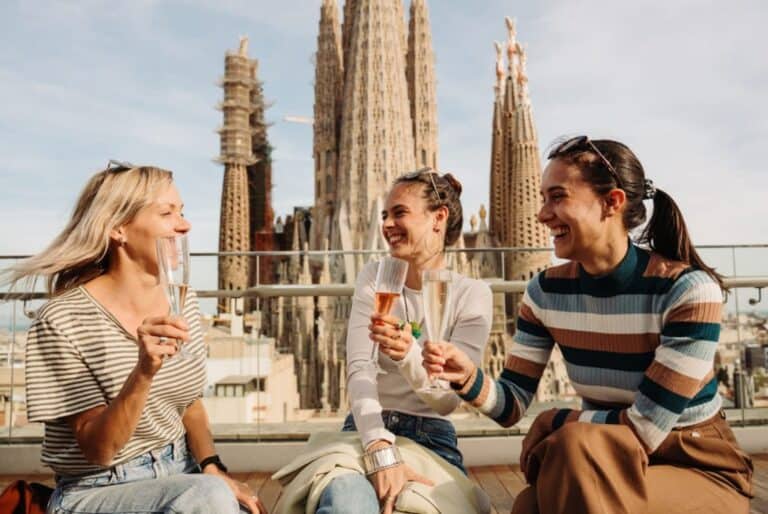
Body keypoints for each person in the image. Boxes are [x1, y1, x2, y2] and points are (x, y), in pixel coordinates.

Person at [423, 136, 754, 514]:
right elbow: (512, 404)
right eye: (543, 198)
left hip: (694, 463)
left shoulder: (688, 291)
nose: (542, 214)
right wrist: (467, 378)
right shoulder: (545, 292)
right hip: (599, 457)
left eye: (558, 197)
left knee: (571, 448)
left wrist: (558, 420)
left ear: (611, 202)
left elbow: (644, 427)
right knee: (529, 503)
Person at [3, 161, 266, 514]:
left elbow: (188, 402)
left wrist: (212, 467)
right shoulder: (63, 319)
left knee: (228, 500)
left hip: (183, 472)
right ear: (118, 228)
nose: (184, 224)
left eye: (183, 211)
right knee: (210, 499)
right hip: (98, 489)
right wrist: (143, 371)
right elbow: (100, 450)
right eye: (166, 213)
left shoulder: (181, 299)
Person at [316, 169, 493, 514]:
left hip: (432, 438)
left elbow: (447, 402)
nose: (388, 224)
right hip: (366, 429)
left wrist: (407, 353)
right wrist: (380, 449)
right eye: (385, 215)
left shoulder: (472, 295)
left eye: (400, 213)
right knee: (345, 505)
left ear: (438, 218)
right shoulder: (376, 278)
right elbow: (359, 369)